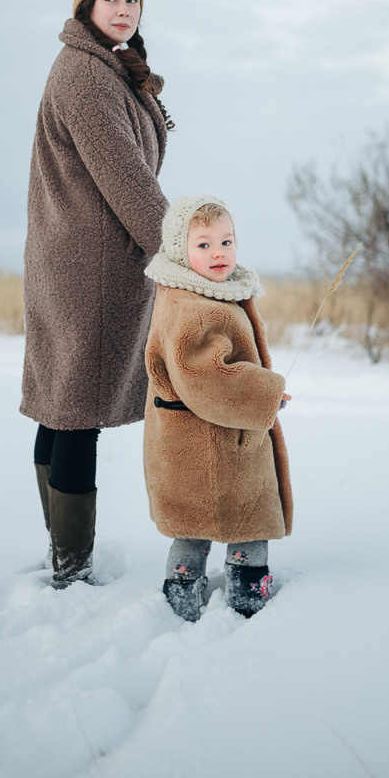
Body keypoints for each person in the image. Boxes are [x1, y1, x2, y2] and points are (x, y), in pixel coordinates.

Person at [20, 0, 173, 588]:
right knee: (76, 406)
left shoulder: (105, 68)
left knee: (64, 404)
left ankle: (63, 551)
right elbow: (129, 182)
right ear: (86, 5)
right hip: (92, 266)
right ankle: (71, 565)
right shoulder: (85, 76)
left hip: (73, 257)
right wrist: (185, 257)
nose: (122, 9)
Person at [142, 193, 293, 621]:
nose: (218, 253)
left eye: (226, 242)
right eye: (204, 244)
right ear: (179, 250)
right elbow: (205, 375)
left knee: (214, 516)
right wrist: (263, 394)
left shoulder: (210, 291)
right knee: (228, 517)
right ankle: (213, 593)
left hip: (215, 437)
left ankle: (212, 586)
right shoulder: (189, 306)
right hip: (204, 440)